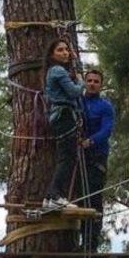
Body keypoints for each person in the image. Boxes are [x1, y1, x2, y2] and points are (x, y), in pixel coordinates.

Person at [42, 37, 85, 210]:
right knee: (67, 158)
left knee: (66, 157)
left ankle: (50, 198)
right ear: (52, 54)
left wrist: (75, 60)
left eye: (67, 49)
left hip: (62, 116)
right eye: (60, 50)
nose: (65, 52)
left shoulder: (56, 71)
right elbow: (75, 92)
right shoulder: (58, 71)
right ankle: (55, 196)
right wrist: (81, 81)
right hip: (64, 116)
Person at [80, 68, 115, 250]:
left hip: (97, 156)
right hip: (79, 156)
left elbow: (107, 130)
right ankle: (78, 240)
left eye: (96, 81)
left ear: (101, 85)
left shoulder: (105, 106)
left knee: (93, 199)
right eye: (90, 80)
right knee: (77, 199)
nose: (92, 84)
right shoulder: (78, 102)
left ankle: (90, 244)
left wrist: (90, 141)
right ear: (85, 82)